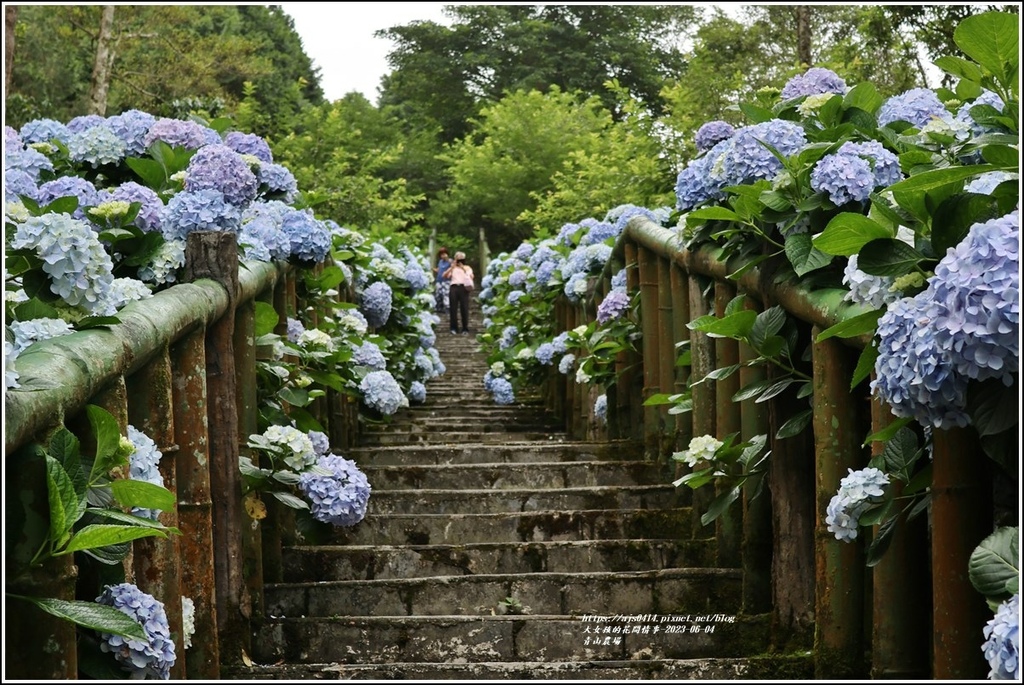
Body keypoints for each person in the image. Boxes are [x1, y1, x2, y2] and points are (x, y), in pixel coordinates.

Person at [443, 251, 474, 334]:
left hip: (464, 287)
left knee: (464, 308)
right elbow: (445, 276)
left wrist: (463, 267)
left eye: (461, 259)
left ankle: (465, 328)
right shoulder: (453, 268)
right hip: (454, 287)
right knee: (453, 308)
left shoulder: (467, 267)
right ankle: (453, 328)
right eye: (458, 259)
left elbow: (472, 276)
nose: (459, 261)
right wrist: (452, 267)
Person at [434, 247, 452, 314]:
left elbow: (453, 267)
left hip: (447, 280)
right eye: (441, 254)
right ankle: (439, 307)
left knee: (446, 293)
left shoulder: (450, 261)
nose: (443, 255)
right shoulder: (440, 261)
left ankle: (447, 307)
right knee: (438, 293)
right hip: (439, 280)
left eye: (444, 254)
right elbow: (439, 269)